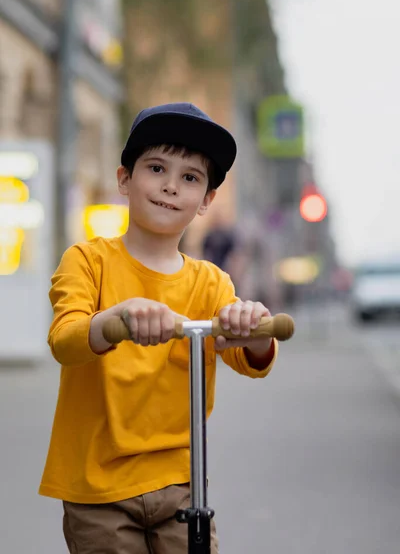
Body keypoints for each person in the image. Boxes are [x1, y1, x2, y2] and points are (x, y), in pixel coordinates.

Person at [39, 102, 279, 554]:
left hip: (182, 484)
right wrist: (113, 321)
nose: (171, 185)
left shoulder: (211, 282)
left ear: (206, 200)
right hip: (99, 488)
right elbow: (66, 340)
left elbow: (249, 358)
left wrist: (254, 328)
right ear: (124, 178)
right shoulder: (87, 261)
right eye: (156, 168)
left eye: (190, 177)